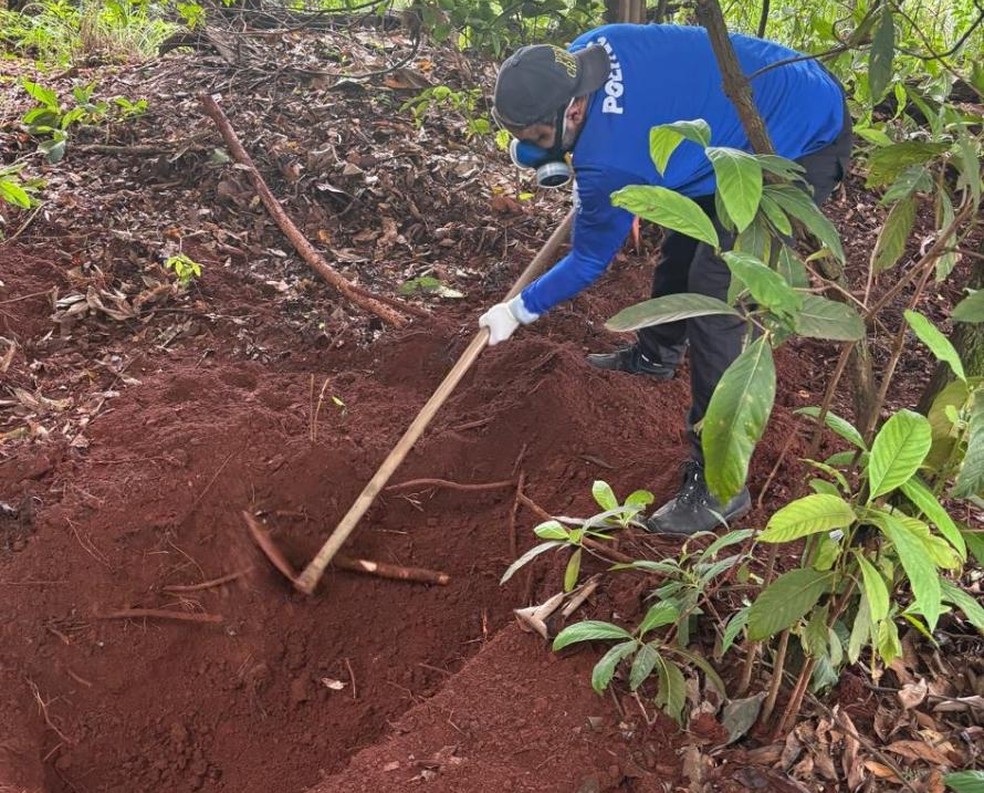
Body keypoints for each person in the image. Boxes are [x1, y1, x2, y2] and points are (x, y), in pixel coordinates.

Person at [479, 23, 852, 536]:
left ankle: (722, 486)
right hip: (748, 109)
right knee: (684, 239)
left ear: (572, 110)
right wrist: (552, 149)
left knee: (716, 289)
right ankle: (656, 356)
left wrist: (517, 309)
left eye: (542, 139)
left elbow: (588, 261)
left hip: (801, 137)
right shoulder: (590, 47)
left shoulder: (611, 158)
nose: (541, 153)